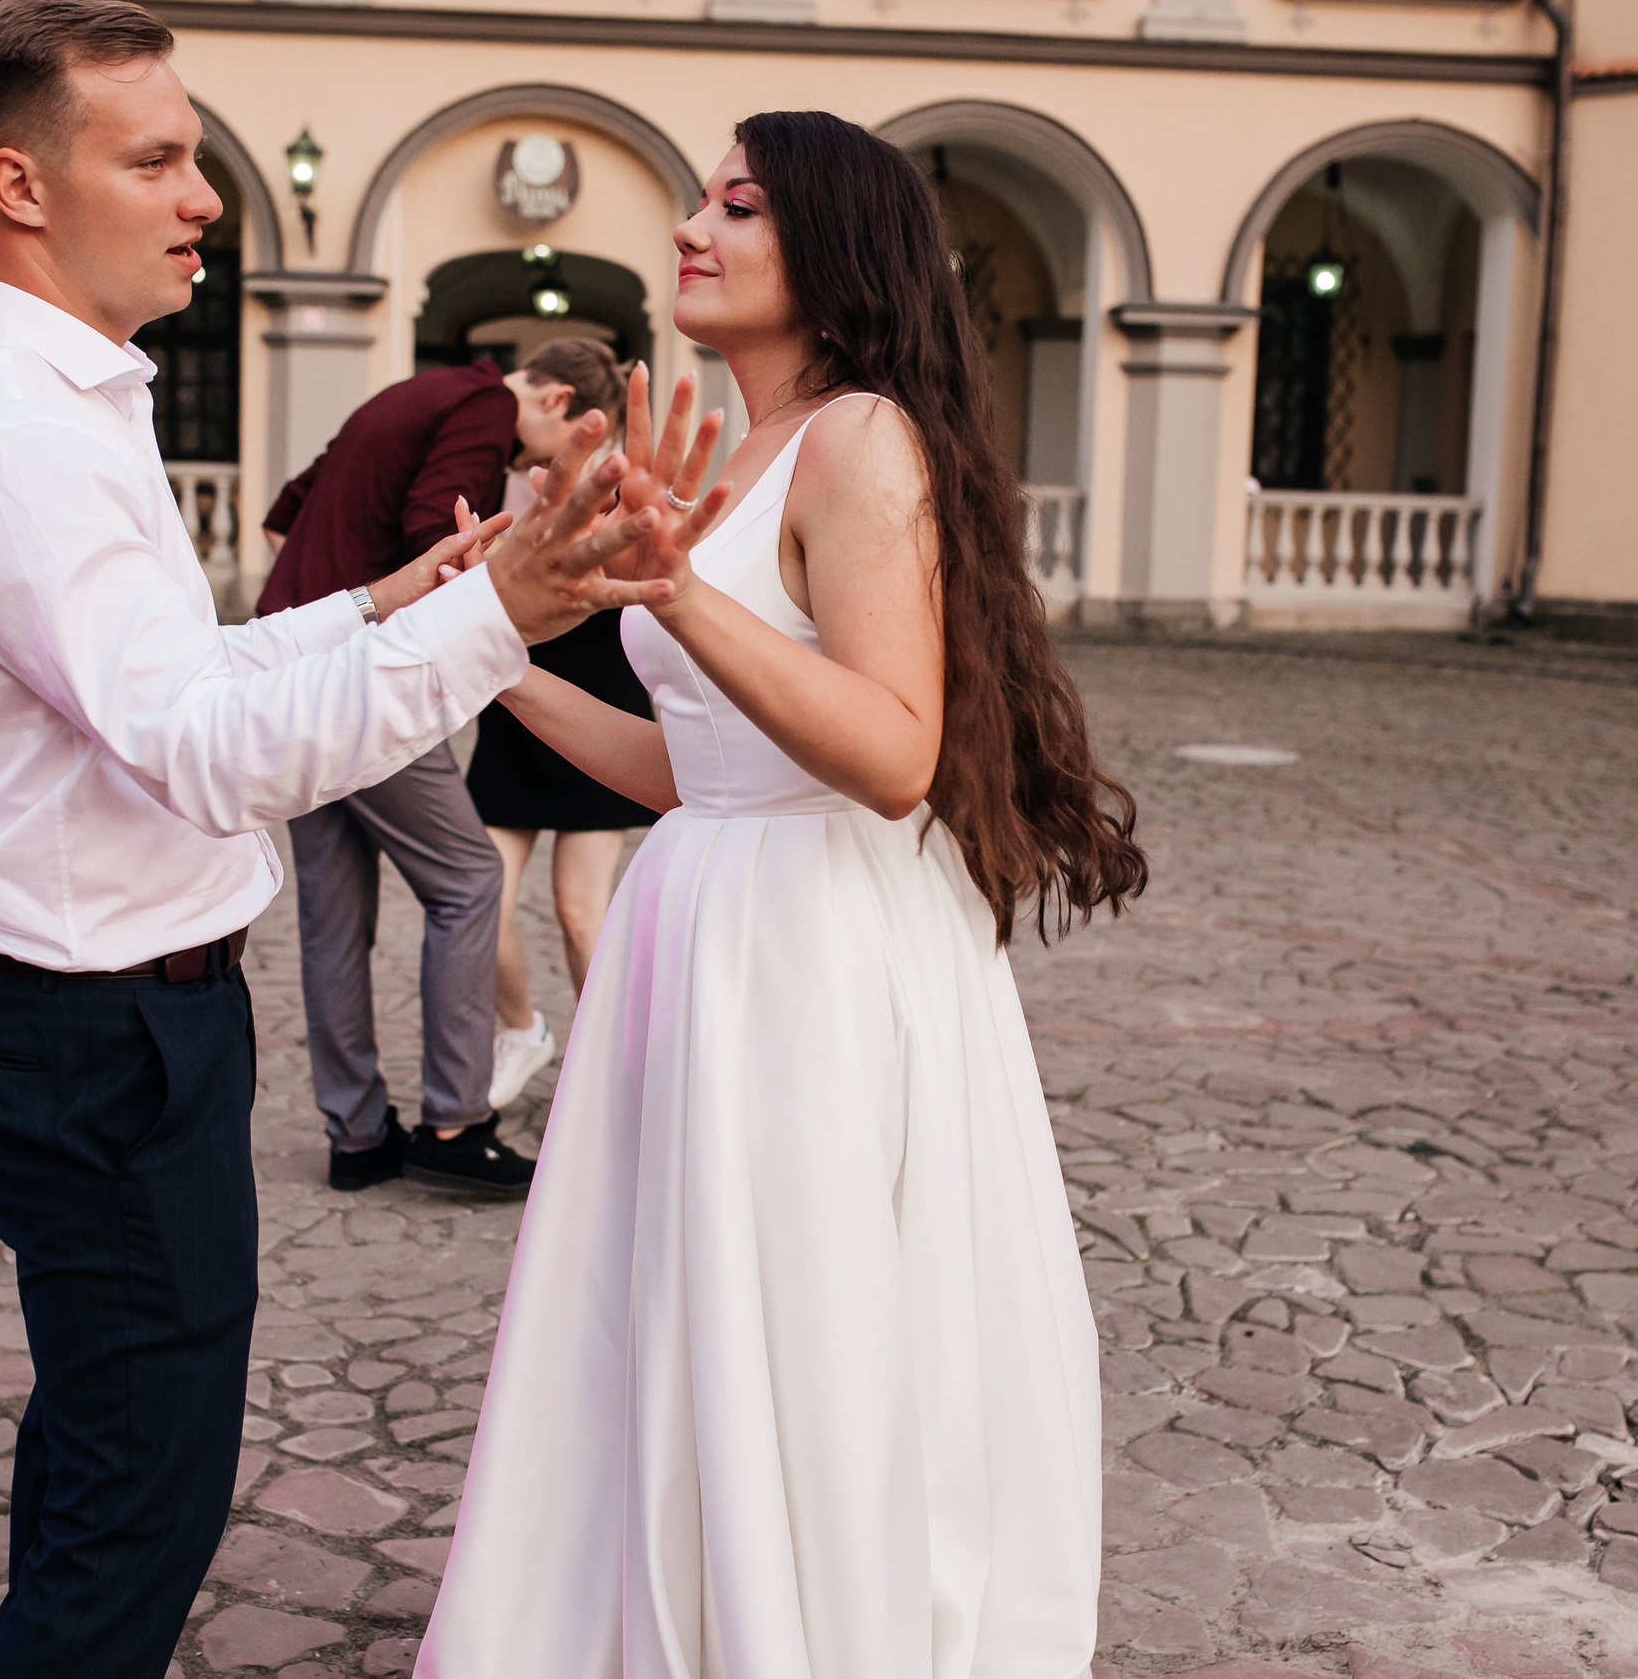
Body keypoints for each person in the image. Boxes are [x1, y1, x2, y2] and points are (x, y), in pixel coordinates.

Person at [0, 0, 677, 1677]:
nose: (203, 195)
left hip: (101, 1016)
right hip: (94, 1035)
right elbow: (203, 752)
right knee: (137, 1507)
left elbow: (179, 676)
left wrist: (388, 601)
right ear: (19, 184)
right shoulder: (19, 433)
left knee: (110, 1446)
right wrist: (501, 617)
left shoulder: (64, 400)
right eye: (155, 157)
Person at [418, 111, 1150, 1677]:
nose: (690, 223)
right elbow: (701, 764)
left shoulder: (862, 439)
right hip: (706, 919)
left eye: (736, 203)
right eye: (696, 195)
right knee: (680, 1317)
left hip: (816, 945)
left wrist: (674, 587)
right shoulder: (738, 452)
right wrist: (493, 660)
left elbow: (894, 752)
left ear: (831, 251)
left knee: (800, 1326)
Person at [251, 340, 628, 1196]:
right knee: (467, 879)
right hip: (365, 675)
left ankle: (356, 1135)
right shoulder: (485, 406)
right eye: (541, 451)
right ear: (558, 397)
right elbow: (436, 528)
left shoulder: (412, 393)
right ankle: (456, 1121)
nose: (530, 465)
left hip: (290, 664)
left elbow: (288, 508)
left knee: (332, 909)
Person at [466, 445, 663, 1111]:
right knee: (478, 899)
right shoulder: (523, 537)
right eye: (543, 486)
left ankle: (616, 1073)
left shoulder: (632, 536)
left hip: (601, 725)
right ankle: (524, 1030)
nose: (551, 498)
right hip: (517, 735)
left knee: (581, 914)